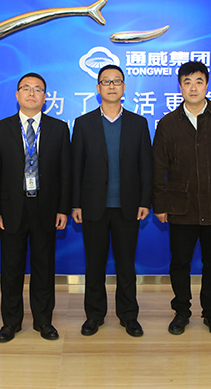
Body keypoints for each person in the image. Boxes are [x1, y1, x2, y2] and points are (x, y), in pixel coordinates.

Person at [152, 61, 211, 337]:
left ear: (207, 85)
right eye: (187, 82)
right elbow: (158, 168)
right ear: (180, 87)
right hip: (181, 207)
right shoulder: (168, 124)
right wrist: (160, 204)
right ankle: (181, 312)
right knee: (179, 264)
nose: (193, 88)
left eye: (199, 82)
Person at [0, 72, 71, 343]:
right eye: (26, 88)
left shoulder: (59, 128)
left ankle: (43, 321)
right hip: (11, 209)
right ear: (17, 94)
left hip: (46, 208)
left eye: (38, 89)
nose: (32, 93)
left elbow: (65, 173)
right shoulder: (1, 128)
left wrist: (63, 209)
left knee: (44, 268)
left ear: (46, 96)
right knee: (11, 269)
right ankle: (10, 323)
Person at [71, 65, 152, 337]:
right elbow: (76, 168)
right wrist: (76, 204)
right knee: (94, 266)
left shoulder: (138, 123)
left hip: (128, 207)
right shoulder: (83, 124)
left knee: (126, 266)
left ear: (124, 87)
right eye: (106, 81)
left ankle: (129, 316)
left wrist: (145, 201)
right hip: (93, 207)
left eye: (117, 81)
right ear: (98, 88)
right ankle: (94, 316)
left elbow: (146, 166)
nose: (112, 86)